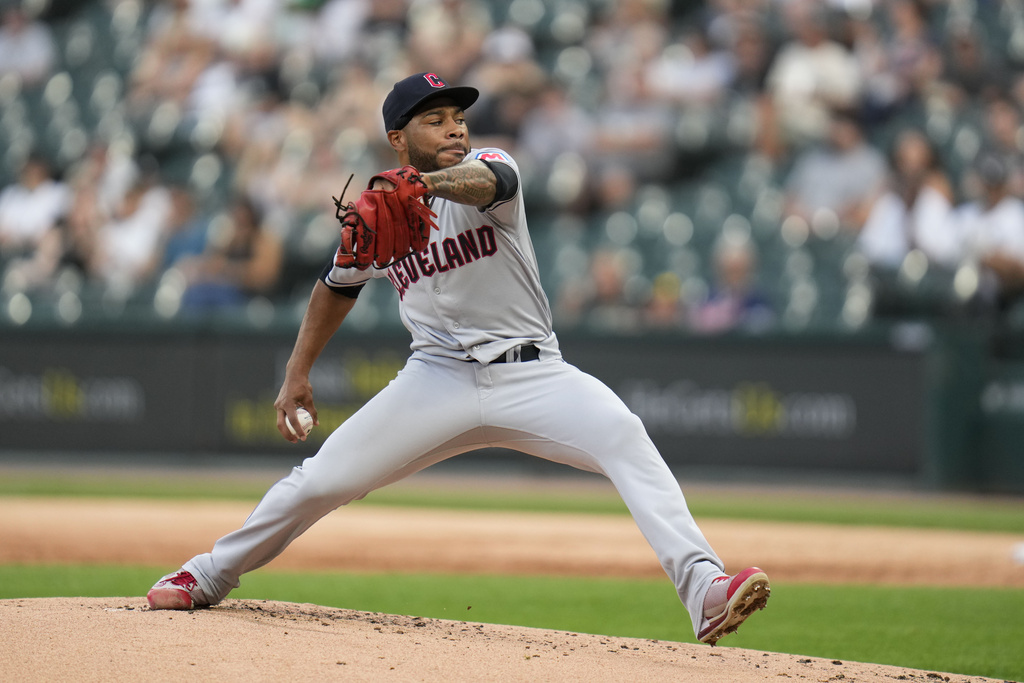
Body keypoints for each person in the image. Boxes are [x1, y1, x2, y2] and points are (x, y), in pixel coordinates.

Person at [145, 72, 770, 646]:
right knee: (324, 478)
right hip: (435, 378)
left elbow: (495, 183)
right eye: (435, 119)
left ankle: (704, 590)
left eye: (458, 117)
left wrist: (424, 183)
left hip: (533, 373)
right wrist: (297, 371)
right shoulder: (379, 211)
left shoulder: (486, 169)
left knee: (624, 435)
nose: (455, 128)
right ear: (398, 137)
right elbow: (337, 286)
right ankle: (206, 573)